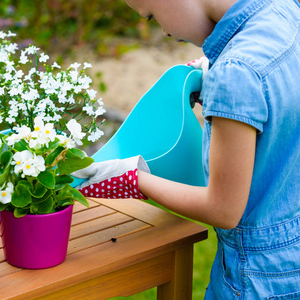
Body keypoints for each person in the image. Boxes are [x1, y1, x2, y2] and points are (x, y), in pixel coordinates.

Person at [73, 0, 300, 298]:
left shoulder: (236, 73)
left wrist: (133, 178)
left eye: (152, 16)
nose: (164, 32)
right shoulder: (285, 10)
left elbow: (223, 209)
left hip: (257, 278)